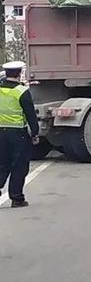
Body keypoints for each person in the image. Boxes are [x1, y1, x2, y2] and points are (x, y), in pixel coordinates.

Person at [0, 61, 39, 208]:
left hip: (0, 133)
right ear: (18, 73)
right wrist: (35, 133)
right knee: (19, 166)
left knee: (2, 164)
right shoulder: (22, 92)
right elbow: (30, 115)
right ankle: (17, 199)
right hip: (18, 134)